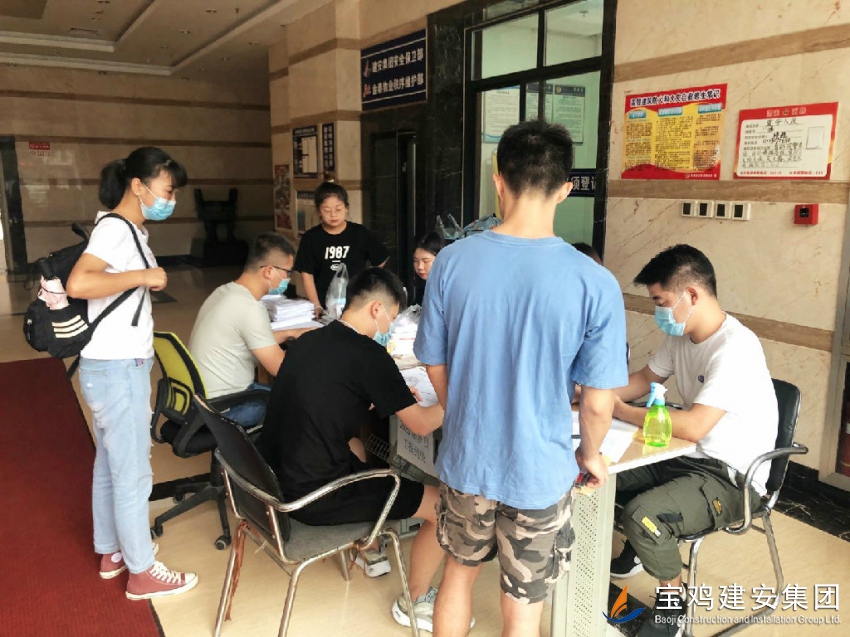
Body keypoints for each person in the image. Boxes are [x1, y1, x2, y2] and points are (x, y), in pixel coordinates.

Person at [414, 119, 628, 637]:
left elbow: (433, 361)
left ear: (499, 181)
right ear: (565, 189)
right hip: (540, 471)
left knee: (458, 574)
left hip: (467, 460)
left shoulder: (450, 262)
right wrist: (590, 456)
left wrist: (462, 413)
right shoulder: (595, 282)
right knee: (524, 604)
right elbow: (597, 403)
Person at [257, 267, 447, 631]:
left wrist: (383, 395)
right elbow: (423, 424)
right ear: (377, 309)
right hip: (314, 495)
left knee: (357, 443)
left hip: (274, 477)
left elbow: (331, 394)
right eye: (393, 316)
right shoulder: (369, 356)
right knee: (442, 506)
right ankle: (415, 600)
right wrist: (455, 399)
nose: (390, 326)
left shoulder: (311, 339)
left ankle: (366, 548)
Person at [609, 244, 778, 637]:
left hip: (730, 478)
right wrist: (589, 394)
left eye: (660, 302)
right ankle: (639, 551)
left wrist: (619, 410)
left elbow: (695, 426)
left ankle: (673, 608)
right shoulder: (682, 336)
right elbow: (643, 380)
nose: (658, 312)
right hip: (685, 458)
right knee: (601, 477)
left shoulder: (736, 347)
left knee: (643, 514)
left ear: (691, 295)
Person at [66, 147, 197, 600]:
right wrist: (143, 277)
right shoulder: (116, 230)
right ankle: (142, 572)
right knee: (133, 473)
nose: (170, 200)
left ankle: (112, 551)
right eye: (167, 190)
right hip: (118, 369)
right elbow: (79, 282)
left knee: (110, 463)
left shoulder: (127, 229)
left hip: (110, 366)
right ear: (138, 186)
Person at [189, 232, 309, 429]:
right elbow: (281, 369)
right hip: (224, 408)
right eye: (288, 273)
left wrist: (290, 333)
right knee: (297, 401)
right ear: (269, 271)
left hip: (202, 401)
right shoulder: (249, 308)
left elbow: (251, 339)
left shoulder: (224, 292)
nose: (288, 278)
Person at [294, 176, 389, 314]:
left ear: (346, 208)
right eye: (327, 210)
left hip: (357, 304)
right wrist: (316, 305)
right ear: (319, 211)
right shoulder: (310, 238)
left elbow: (381, 258)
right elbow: (307, 274)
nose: (333, 215)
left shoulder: (359, 233)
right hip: (324, 305)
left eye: (338, 209)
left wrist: (366, 281)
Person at [411, 231, 445, 304]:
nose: (420, 267)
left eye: (426, 261)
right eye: (416, 261)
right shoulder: (423, 286)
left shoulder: (447, 289)